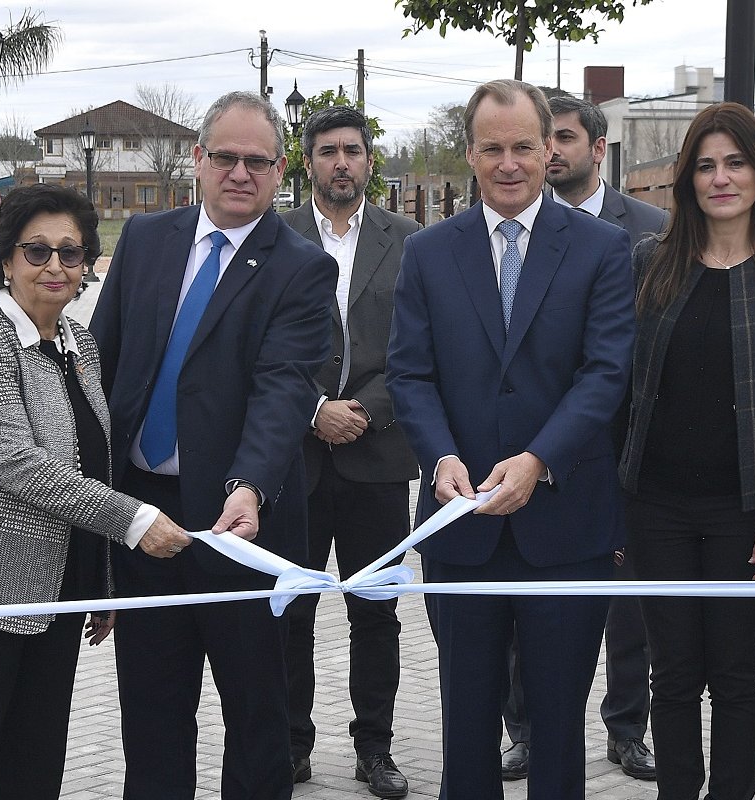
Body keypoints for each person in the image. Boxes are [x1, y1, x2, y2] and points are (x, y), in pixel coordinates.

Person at [0, 183, 192, 799]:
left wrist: (100, 583)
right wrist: (134, 522)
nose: (55, 266)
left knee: (33, 767)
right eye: (37, 251)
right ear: (6, 260)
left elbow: (91, 461)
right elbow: (20, 466)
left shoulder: (79, 344)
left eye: (70, 252)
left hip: (53, 597)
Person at [386, 78, 634, 800]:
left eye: (524, 146)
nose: (509, 163)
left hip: (567, 525)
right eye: (491, 149)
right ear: (469, 153)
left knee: (558, 723)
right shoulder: (429, 253)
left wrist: (539, 460)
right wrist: (439, 456)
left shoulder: (601, 248)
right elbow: (410, 373)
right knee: (466, 722)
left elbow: (605, 372)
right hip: (460, 525)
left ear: (549, 147)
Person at [89, 90, 336, 799]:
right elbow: (102, 366)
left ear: (280, 170)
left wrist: (248, 485)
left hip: (242, 529)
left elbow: (283, 391)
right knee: (152, 714)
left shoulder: (302, 268)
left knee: (256, 718)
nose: (240, 173)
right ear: (197, 159)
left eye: (258, 161)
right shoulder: (145, 239)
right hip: (145, 521)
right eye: (225, 157)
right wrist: (97, 516)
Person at [618, 102, 755, 800]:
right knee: (673, 675)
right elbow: (623, 389)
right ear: (688, 178)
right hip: (658, 507)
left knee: (735, 675)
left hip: (748, 510)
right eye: (706, 165)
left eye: (735, 163)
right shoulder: (652, 263)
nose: (721, 178)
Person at [495, 92, 668, 785]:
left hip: (622, 450)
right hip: (528, 453)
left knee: (627, 607)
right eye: (550, 137)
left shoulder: (649, 230)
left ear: (597, 149)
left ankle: (628, 727)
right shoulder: (504, 228)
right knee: (520, 604)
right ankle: (525, 732)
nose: (554, 151)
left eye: (565, 138)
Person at [278, 105, 422, 799]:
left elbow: (420, 346)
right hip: (294, 459)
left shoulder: (410, 242)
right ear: (308, 161)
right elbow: (260, 344)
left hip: (378, 456)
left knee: (375, 613)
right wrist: (313, 410)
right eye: (329, 151)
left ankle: (375, 749)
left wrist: (366, 410)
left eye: (353, 151)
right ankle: (291, 745)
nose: (342, 162)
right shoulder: (276, 236)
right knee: (291, 611)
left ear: (370, 161)